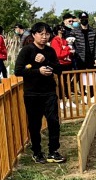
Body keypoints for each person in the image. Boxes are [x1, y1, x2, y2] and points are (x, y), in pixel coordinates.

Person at [15, 22, 65, 163]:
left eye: (47, 34)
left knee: (54, 121)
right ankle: (37, 152)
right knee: (35, 123)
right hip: (32, 93)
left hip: (49, 92)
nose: (44, 37)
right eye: (41, 34)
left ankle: (53, 151)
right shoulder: (27, 50)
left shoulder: (50, 51)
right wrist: (38, 71)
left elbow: (59, 69)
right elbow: (18, 71)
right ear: (34, 35)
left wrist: (46, 61)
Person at [50, 22, 74, 101]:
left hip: (68, 63)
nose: (62, 30)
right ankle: (61, 99)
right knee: (61, 83)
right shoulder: (55, 41)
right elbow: (58, 54)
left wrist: (70, 51)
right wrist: (68, 50)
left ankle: (68, 99)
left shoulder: (64, 40)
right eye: (61, 29)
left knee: (67, 83)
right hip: (60, 64)